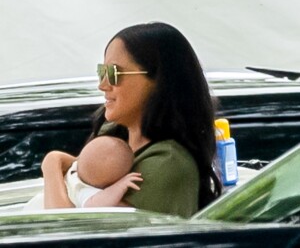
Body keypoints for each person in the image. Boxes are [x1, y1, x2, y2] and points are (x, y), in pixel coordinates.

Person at [42, 22, 222, 218]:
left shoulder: (166, 164)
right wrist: (57, 161)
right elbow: (84, 170)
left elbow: (64, 229)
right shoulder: (115, 132)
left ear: (158, 82)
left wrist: (52, 164)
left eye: (114, 73)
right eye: (102, 72)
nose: (102, 85)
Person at [24, 136, 142, 210]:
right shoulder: (84, 189)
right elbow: (94, 205)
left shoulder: (72, 170)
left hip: (32, 208)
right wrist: (119, 187)